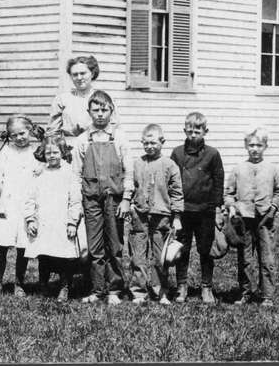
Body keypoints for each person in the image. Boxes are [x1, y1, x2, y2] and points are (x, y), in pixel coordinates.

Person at [72, 89, 133, 304]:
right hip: (90, 199)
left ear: (111, 111)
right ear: (89, 111)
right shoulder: (82, 140)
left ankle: (115, 290)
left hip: (114, 200)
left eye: (104, 110)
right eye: (95, 110)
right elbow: (76, 175)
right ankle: (97, 290)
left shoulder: (119, 138)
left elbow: (129, 171)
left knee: (115, 245)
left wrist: (126, 198)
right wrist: (78, 203)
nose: (100, 114)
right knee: (95, 246)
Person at [224, 127, 279, 306]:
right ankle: (245, 292)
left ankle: (266, 295)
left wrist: (273, 208)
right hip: (244, 218)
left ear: (265, 146)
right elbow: (228, 193)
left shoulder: (272, 169)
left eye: (259, 145)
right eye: (251, 145)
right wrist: (231, 207)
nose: (254, 149)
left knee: (266, 257)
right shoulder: (238, 169)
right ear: (246, 146)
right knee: (245, 258)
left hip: (264, 218)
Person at [170, 111, 225, 303]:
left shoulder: (212, 154)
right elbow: (172, 182)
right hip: (183, 211)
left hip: (205, 211)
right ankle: (182, 286)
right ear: (184, 130)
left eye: (197, 131)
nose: (193, 135)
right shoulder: (177, 153)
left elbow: (218, 182)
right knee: (181, 249)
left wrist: (217, 209)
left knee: (206, 249)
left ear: (205, 131)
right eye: (190, 131)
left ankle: (206, 287)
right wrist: (174, 210)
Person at [127, 124, 184, 304]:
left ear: (162, 142)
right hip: (140, 215)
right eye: (146, 143)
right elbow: (131, 186)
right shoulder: (138, 164)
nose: (150, 146)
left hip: (162, 216)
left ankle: (161, 291)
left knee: (161, 257)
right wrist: (130, 204)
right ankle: (138, 292)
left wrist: (176, 217)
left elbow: (176, 193)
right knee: (138, 255)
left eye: (154, 143)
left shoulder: (170, 165)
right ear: (142, 143)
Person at [24, 134, 83, 302]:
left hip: (62, 222)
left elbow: (75, 200)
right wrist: (30, 219)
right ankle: (43, 285)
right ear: (43, 154)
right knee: (44, 256)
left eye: (56, 152)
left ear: (63, 153)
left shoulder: (69, 173)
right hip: (44, 222)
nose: (52, 156)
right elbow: (30, 198)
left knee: (64, 257)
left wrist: (72, 221)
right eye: (48, 153)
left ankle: (64, 286)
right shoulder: (39, 173)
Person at [0, 115, 40, 297]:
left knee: (22, 246)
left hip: (25, 204)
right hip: (7, 204)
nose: (19, 138)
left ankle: (19, 283)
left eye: (23, 133)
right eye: (14, 135)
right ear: (9, 136)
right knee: (1, 246)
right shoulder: (5, 153)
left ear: (30, 131)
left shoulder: (35, 153)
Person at [47, 55, 100, 137]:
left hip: (97, 146)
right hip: (70, 146)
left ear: (92, 74)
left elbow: (115, 128)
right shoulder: (62, 100)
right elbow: (52, 132)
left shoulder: (103, 98)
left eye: (83, 73)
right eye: (75, 74)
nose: (79, 78)